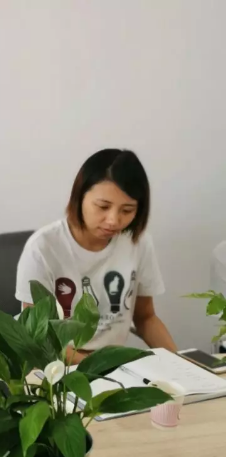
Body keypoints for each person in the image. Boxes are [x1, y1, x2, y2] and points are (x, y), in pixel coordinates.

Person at [16, 149, 177, 363]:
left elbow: (145, 317)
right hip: (60, 369)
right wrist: (96, 366)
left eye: (127, 210)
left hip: (114, 366)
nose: (113, 220)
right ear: (80, 196)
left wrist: (180, 363)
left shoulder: (138, 242)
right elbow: (37, 335)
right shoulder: (43, 248)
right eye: (103, 206)